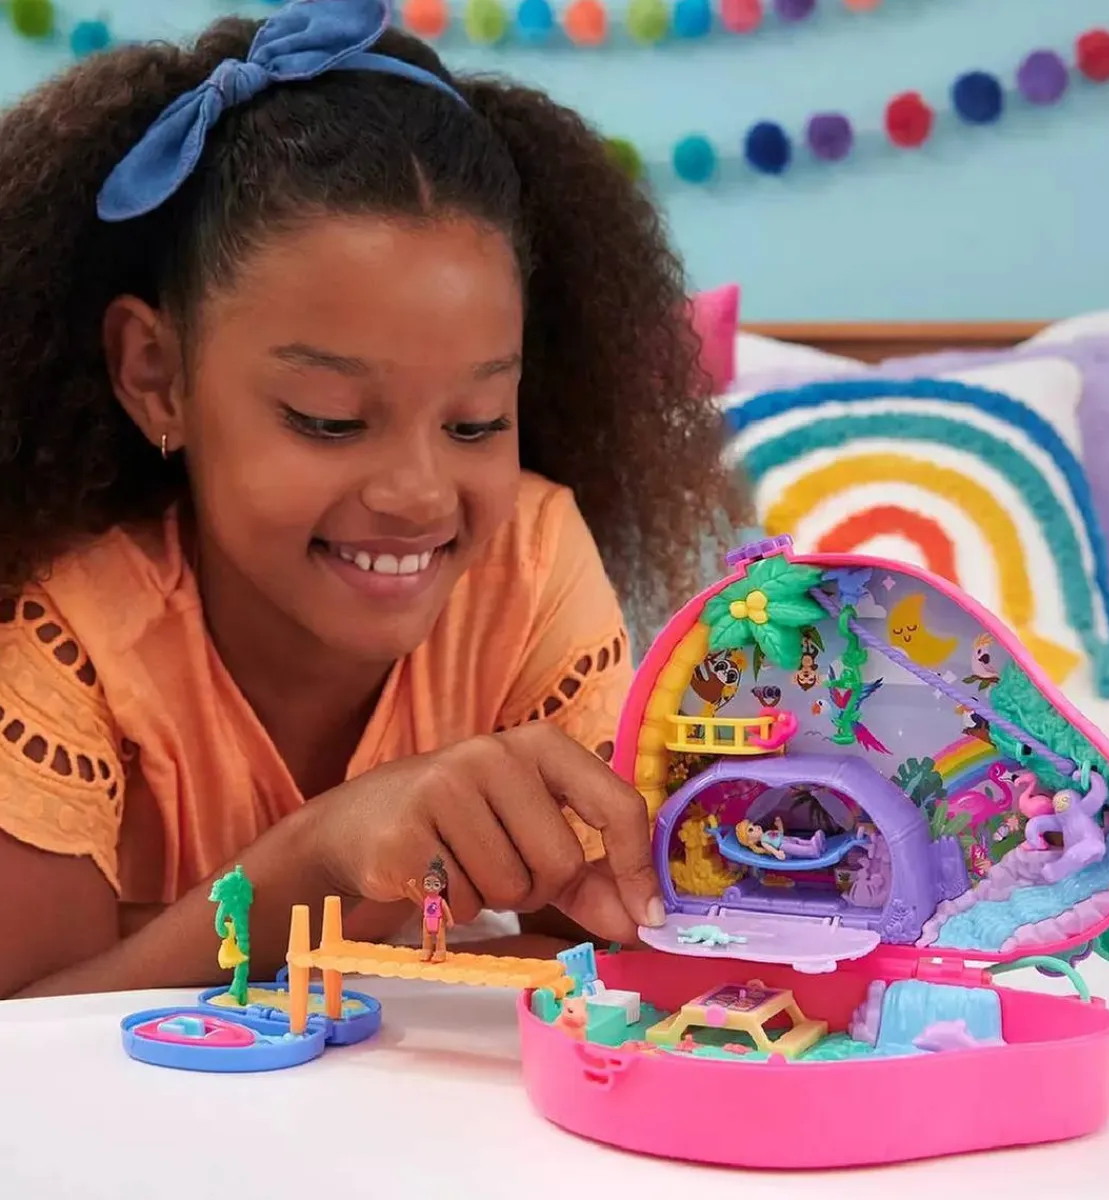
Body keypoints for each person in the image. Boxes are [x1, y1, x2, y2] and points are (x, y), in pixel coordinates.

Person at [0, 0, 744, 999]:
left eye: (475, 423)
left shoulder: (526, 563)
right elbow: (28, 1030)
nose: (417, 495)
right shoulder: (71, 632)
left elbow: (615, 937)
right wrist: (316, 855)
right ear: (157, 376)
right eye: (329, 419)